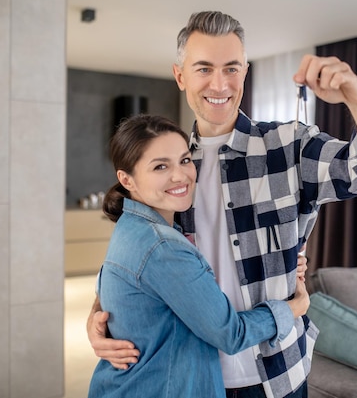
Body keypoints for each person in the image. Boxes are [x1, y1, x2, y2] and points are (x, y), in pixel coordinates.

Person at [88, 10, 357, 398]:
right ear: (180, 76)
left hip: (277, 374)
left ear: (245, 72)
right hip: (196, 378)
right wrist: (101, 314)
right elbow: (140, 256)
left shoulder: (288, 147)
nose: (219, 83)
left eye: (231, 68)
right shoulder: (169, 167)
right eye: (204, 68)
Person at [87, 114, 310, 398]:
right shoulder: (163, 246)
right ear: (126, 179)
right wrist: (293, 309)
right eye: (160, 166)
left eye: (184, 160)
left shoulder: (131, 226)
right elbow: (231, 334)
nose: (180, 175)